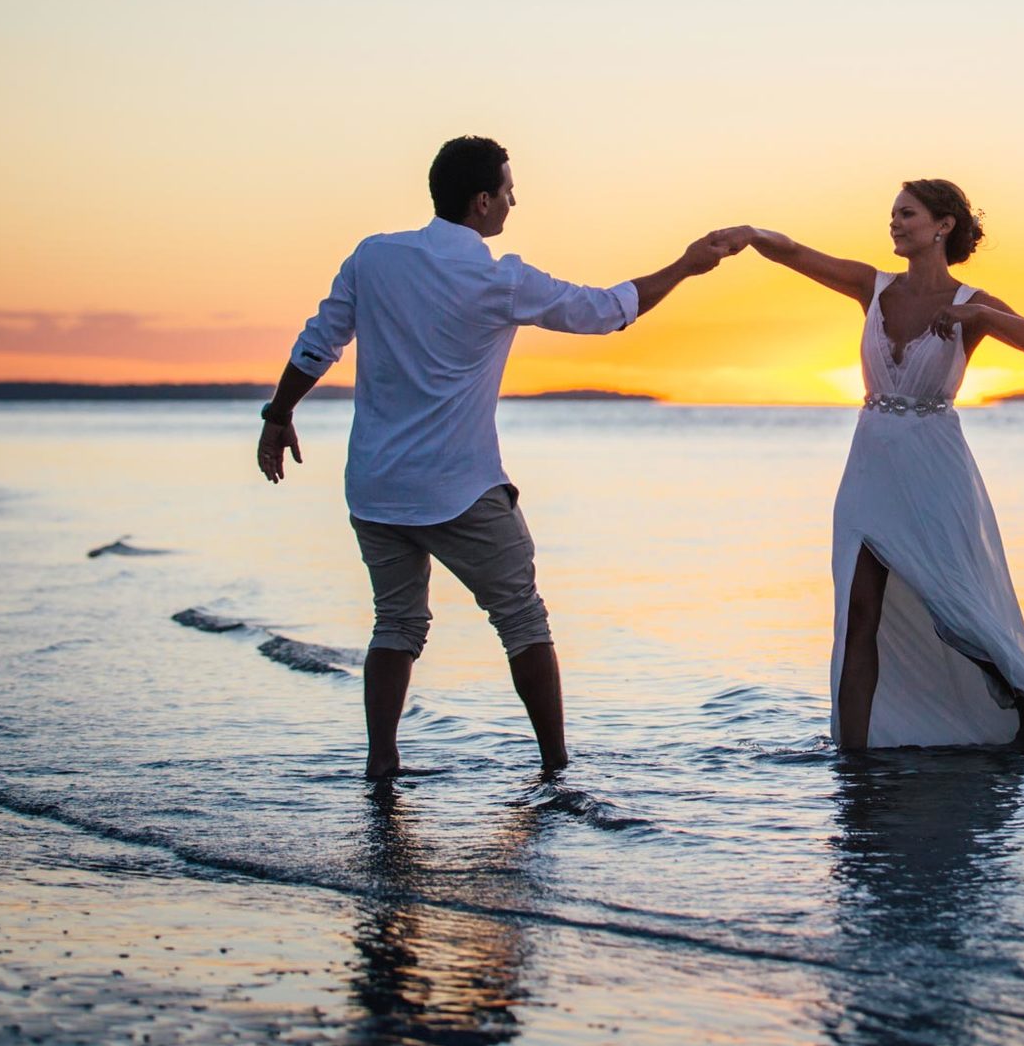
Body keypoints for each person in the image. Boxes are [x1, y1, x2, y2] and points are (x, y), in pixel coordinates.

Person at [257, 135, 742, 778]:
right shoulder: (498, 279)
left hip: (375, 488)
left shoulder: (372, 258)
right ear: (482, 201)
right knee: (521, 617)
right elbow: (606, 311)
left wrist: (278, 414)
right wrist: (683, 266)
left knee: (395, 624)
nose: (514, 201)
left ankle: (380, 763)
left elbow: (318, 344)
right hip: (459, 488)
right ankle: (557, 768)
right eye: (509, 190)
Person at [735, 181, 1024, 750]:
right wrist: (753, 235)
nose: (895, 225)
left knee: (952, 603)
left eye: (907, 214)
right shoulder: (871, 286)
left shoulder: (973, 302)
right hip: (870, 466)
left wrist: (975, 312)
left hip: (936, 466)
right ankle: (850, 756)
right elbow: (796, 253)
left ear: (942, 225)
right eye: (893, 216)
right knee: (859, 610)